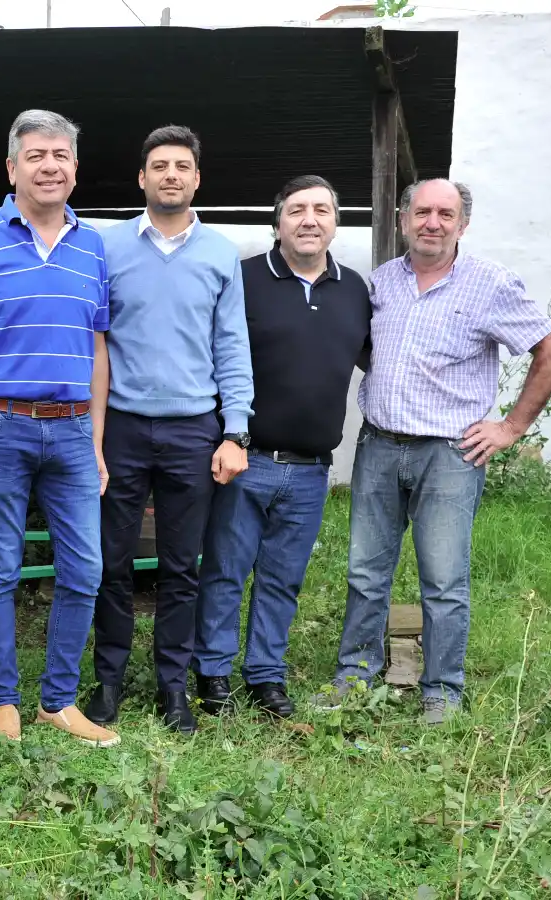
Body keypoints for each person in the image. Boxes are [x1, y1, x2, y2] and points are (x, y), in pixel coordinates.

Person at [322, 178, 551, 725]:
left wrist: (510, 426)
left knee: (442, 581)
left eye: (445, 213)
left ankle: (441, 690)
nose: (432, 222)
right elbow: (373, 352)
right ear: (404, 219)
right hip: (380, 446)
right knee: (366, 572)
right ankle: (354, 678)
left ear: (463, 223)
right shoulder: (382, 283)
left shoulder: (491, 284)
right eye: (422, 211)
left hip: (451, 455)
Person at [0, 109, 119, 747]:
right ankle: (3, 700)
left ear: (76, 168)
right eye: (36, 155)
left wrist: (96, 443)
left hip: (73, 431)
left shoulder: (93, 248)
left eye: (61, 156)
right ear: (12, 167)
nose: (50, 166)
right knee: (0, 570)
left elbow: (98, 350)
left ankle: (58, 701)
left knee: (85, 571)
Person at [82, 125, 253, 735]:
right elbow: (91, 339)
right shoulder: (105, 247)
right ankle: (107, 684)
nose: (171, 175)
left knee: (183, 567)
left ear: (197, 178)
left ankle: (172, 688)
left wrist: (236, 431)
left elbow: (232, 346)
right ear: (142, 178)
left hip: (194, 432)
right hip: (122, 426)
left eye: (182, 165)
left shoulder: (219, 254)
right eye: (159, 165)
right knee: (111, 562)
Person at [192, 176, 371, 720]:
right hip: (246, 459)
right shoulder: (243, 279)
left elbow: (382, 362)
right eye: (297, 210)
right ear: (278, 223)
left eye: (321, 209)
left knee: (282, 579)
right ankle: (214, 674)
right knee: (224, 570)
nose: (309, 219)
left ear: (336, 222)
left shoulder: (356, 290)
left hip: (312, 470)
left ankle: (266, 676)